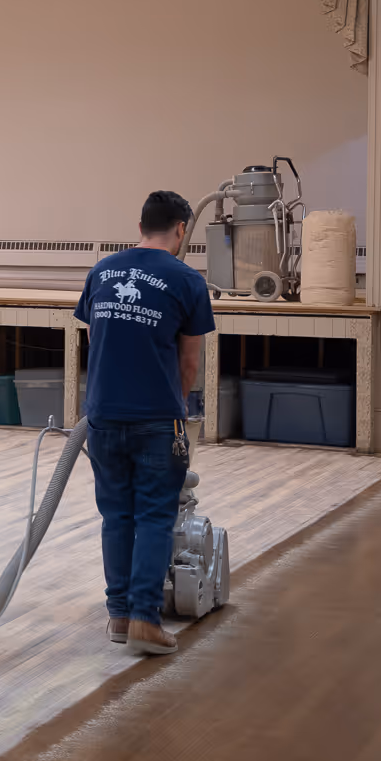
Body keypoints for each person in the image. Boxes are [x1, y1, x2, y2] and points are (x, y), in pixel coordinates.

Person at [73, 190, 216, 657]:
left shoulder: (101, 271)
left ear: (140, 227)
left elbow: (96, 338)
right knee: (156, 516)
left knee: (117, 516)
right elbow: (190, 363)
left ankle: (118, 616)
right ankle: (144, 620)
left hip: (102, 418)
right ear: (180, 230)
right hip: (156, 420)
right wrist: (174, 408)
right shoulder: (186, 280)